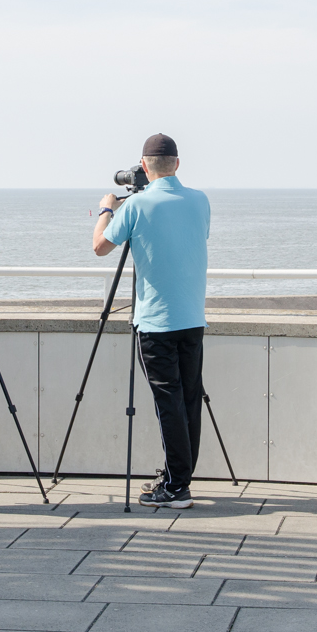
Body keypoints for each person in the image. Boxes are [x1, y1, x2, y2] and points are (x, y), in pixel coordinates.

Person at [93, 133, 211, 509]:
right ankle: (179, 475)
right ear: (177, 163)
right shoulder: (200, 201)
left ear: (144, 167)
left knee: (168, 403)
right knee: (189, 399)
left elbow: (100, 247)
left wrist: (107, 209)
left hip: (157, 322)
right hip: (192, 317)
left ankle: (177, 488)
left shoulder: (136, 207)